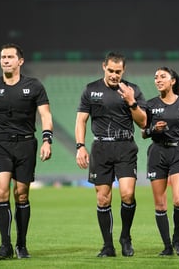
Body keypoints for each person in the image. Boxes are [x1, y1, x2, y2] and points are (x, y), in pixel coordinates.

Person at [0, 43, 53, 260]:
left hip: (26, 145)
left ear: (20, 61)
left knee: (21, 194)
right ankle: (5, 245)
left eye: (10, 56)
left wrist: (47, 140)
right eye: (2, 57)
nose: (5, 60)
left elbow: (45, 115)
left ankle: (21, 244)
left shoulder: (34, 86)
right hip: (0, 145)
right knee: (1, 192)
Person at [75, 51, 147, 257]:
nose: (114, 75)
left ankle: (125, 236)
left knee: (127, 194)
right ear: (103, 67)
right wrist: (80, 146)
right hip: (101, 148)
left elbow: (143, 122)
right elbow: (81, 120)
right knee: (103, 199)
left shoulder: (133, 90)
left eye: (118, 71)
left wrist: (131, 101)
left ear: (124, 70)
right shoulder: (91, 90)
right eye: (111, 70)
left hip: (125, 146)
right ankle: (108, 246)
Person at [142, 67, 179, 256]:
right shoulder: (150, 105)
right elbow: (143, 133)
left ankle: (177, 239)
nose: (158, 80)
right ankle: (167, 246)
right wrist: (153, 130)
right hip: (157, 153)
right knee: (160, 204)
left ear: (172, 81)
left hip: (178, 152)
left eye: (162, 77)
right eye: (156, 77)